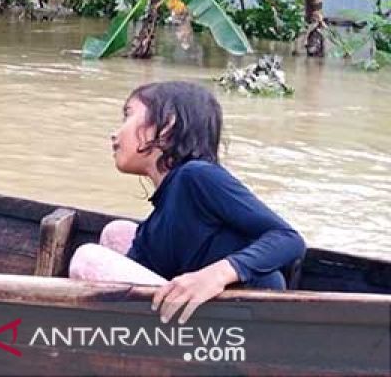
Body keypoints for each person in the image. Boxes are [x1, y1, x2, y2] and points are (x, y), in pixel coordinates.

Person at [68, 81, 306, 324]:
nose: (115, 133)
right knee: (116, 233)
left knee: (87, 259)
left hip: (243, 319)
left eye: (128, 115)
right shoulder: (162, 209)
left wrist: (215, 275)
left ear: (167, 126)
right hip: (196, 317)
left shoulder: (197, 176)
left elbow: (288, 238)